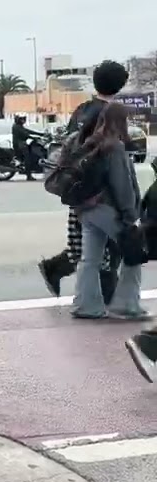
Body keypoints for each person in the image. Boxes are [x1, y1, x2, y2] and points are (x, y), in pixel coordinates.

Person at [38, 60, 130, 295]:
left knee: (83, 246)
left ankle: (55, 270)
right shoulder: (110, 114)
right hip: (99, 192)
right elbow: (111, 158)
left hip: (76, 187)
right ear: (120, 85)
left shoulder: (82, 110)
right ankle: (107, 301)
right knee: (109, 250)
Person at [70, 102, 148, 320]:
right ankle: (126, 304)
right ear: (120, 121)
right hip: (107, 209)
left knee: (90, 259)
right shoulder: (114, 146)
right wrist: (130, 216)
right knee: (133, 252)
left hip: (87, 209)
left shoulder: (91, 141)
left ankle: (85, 305)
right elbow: (122, 184)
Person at [10, 115, 36, 181]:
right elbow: (25, 134)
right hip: (19, 144)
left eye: (24, 119)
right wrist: (34, 138)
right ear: (18, 120)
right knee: (28, 158)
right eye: (21, 119)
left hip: (20, 143)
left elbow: (28, 131)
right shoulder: (16, 127)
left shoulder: (19, 126)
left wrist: (40, 134)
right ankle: (28, 175)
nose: (23, 120)